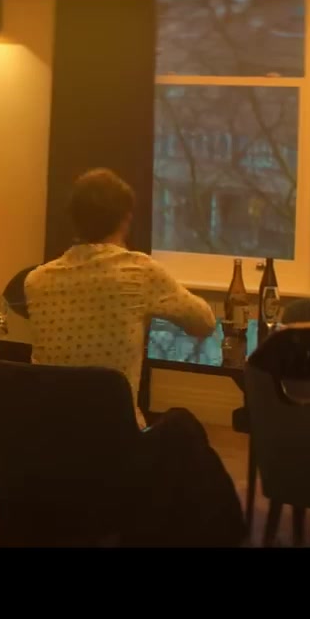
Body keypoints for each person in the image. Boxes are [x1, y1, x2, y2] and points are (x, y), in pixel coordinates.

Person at [24, 168, 217, 428]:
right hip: (117, 436)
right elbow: (205, 322)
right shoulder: (138, 271)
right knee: (184, 427)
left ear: (74, 219)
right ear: (125, 219)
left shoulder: (36, 281)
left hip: (47, 435)